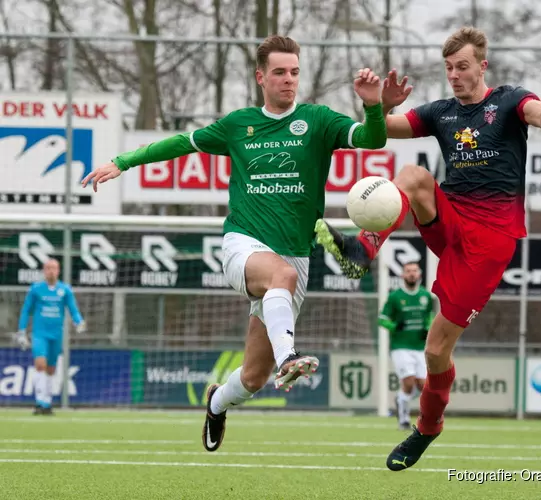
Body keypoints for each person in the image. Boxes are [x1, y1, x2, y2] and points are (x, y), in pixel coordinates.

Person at [81, 35, 387, 452]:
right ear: (261, 77)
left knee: (252, 378)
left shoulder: (318, 121)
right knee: (277, 277)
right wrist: (121, 161)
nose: (288, 80)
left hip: (294, 259)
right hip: (243, 244)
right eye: (279, 72)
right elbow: (179, 144)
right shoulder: (237, 125)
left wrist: (372, 104)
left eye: (294, 72)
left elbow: (372, 139)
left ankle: (216, 402)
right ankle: (290, 356)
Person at [315, 26, 541, 471]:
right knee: (415, 176)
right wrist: (375, 104)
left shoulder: (511, 101)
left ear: (483, 65)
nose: (455, 75)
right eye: (449, 68)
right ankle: (362, 252)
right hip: (452, 220)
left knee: (436, 350)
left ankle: (427, 427)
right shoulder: (441, 112)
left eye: (462, 67)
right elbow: (377, 133)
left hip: (490, 243)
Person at [15, 258, 85, 415]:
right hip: (40, 334)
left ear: (58, 271)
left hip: (57, 335)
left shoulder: (65, 290)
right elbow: (26, 310)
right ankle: (40, 402)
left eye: (54, 268)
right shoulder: (36, 289)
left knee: (51, 369)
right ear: (43, 271)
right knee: (40, 364)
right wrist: (21, 331)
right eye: (48, 268)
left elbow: (72, 308)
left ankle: (47, 401)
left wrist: (78, 321)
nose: (51, 271)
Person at [378, 261, 435, 430]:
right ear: (402, 275)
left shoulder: (426, 296)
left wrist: (428, 328)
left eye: (414, 271)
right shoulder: (395, 297)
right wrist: (395, 327)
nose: (411, 274)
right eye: (408, 271)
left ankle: (402, 398)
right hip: (401, 346)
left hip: (420, 347)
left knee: (423, 386)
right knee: (409, 382)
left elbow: (430, 317)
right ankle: (403, 419)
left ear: (419, 274)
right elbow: (382, 319)